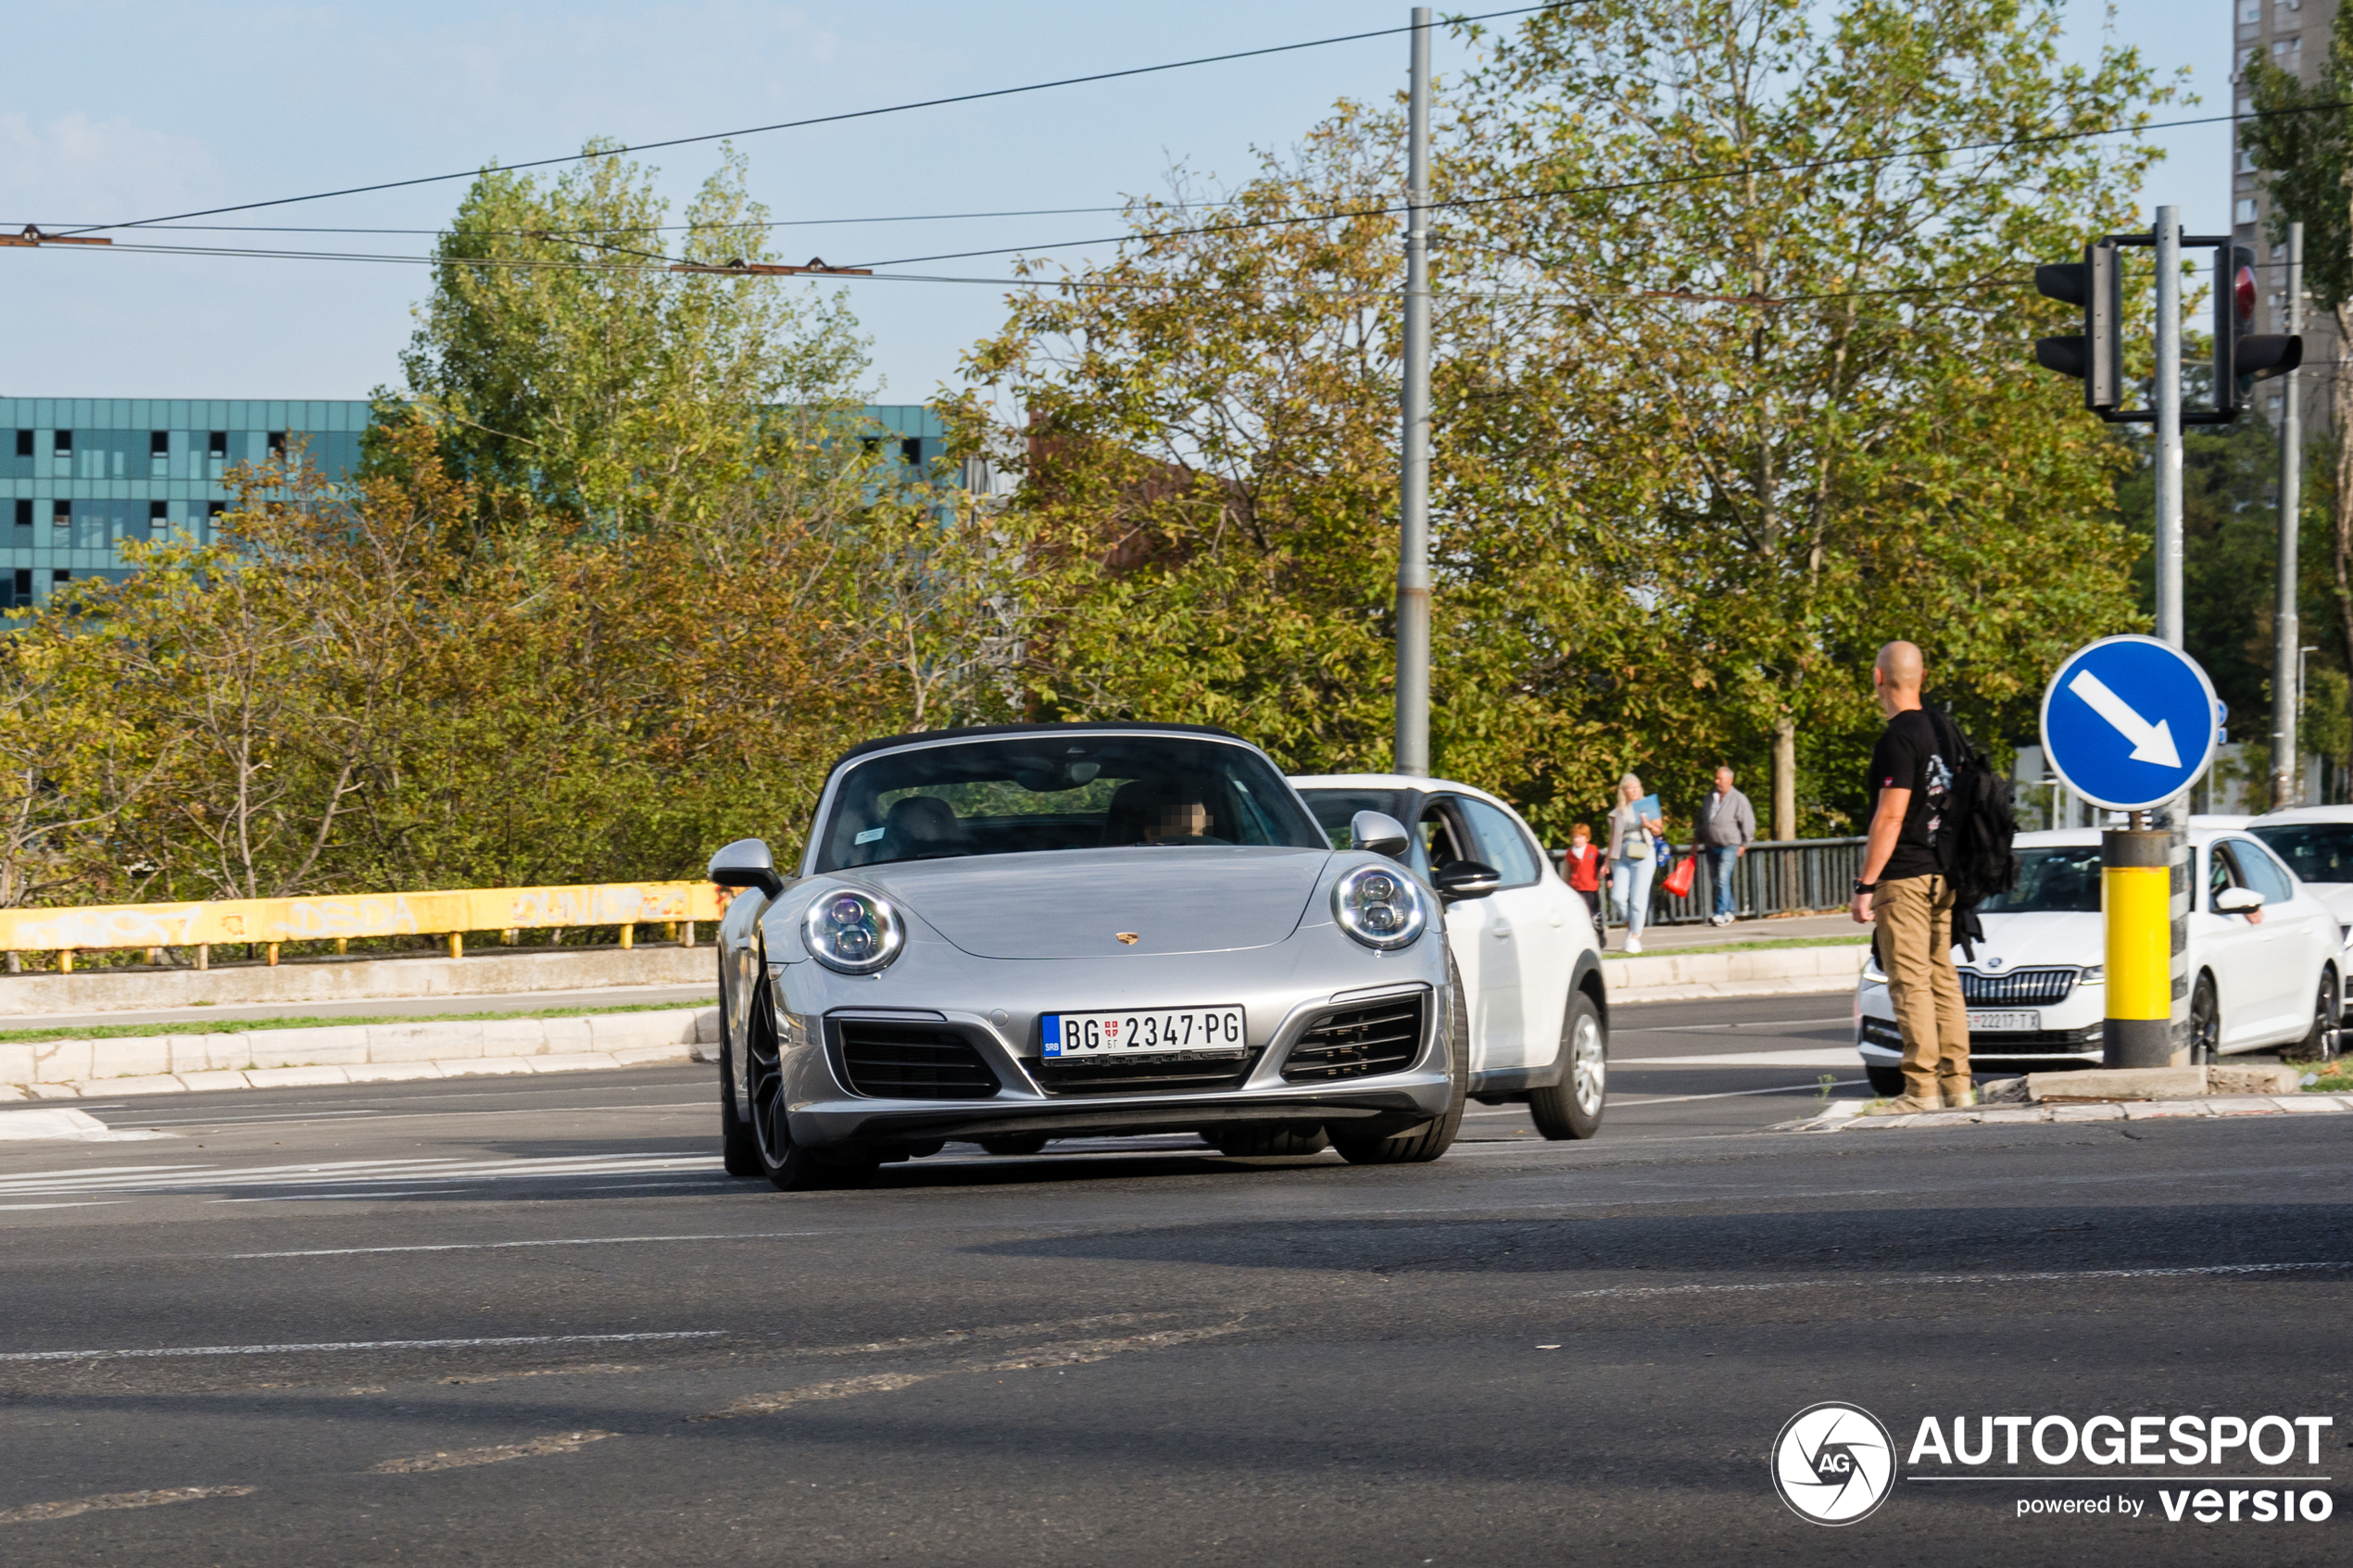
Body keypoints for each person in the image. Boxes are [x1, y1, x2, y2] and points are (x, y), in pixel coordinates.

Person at [1849, 640, 1970, 1111]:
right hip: (1945, 872)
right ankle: (1957, 1085)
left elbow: (1891, 816)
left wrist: (1866, 884)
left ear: (1879, 678)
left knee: (1909, 981)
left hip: (1904, 877)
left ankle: (1921, 1090)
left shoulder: (1898, 737)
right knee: (1942, 977)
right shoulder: (1946, 729)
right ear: (1923, 676)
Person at [1606, 774, 1666, 953]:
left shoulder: (1648, 806)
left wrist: (1647, 825)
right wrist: (1607, 862)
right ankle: (1631, 925)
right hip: (1624, 854)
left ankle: (1635, 937)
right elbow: (1613, 838)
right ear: (1624, 791)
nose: (1634, 791)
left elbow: (1660, 832)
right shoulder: (1619, 811)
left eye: (1637, 788)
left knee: (1638, 899)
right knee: (1617, 896)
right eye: (1630, 788)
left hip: (1643, 852)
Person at [1695, 765, 1756, 927]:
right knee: (1717, 880)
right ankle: (1730, 910)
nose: (1716, 782)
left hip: (1730, 844)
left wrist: (1745, 843)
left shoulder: (1739, 799)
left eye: (1720, 779)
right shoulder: (1710, 797)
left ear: (1730, 780)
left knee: (1722, 878)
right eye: (1716, 778)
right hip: (1710, 844)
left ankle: (1720, 913)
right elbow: (1702, 819)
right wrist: (1697, 839)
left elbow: (1748, 822)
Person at [1562, 822, 1604, 924]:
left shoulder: (1593, 850)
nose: (1577, 840)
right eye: (1575, 837)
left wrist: (1606, 877)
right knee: (1578, 913)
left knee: (1594, 914)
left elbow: (1601, 864)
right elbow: (1566, 872)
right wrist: (1564, 886)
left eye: (1580, 837)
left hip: (1590, 887)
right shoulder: (1570, 853)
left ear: (1586, 838)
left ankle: (1600, 935)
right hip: (1576, 887)